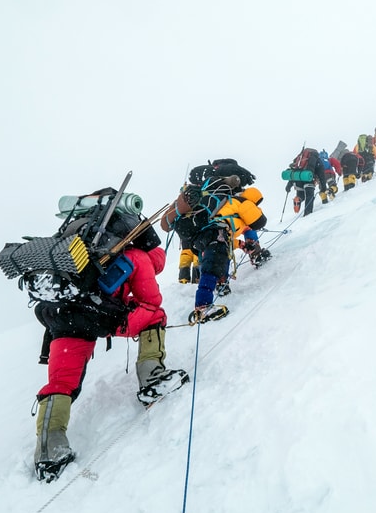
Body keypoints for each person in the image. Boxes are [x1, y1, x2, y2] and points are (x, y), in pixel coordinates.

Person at [30, 189, 187, 481]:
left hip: (61, 317)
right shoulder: (137, 256)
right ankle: (153, 378)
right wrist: (126, 321)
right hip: (97, 316)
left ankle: (49, 451)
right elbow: (150, 303)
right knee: (156, 316)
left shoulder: (75, 245)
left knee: (62, 381)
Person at [161, 175, 240, 321]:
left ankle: (218, 284)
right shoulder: (214, 194)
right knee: (212, 264)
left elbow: (165, 225)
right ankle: (203, 306)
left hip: (195, 239)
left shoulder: (185, 202)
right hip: (211, 233)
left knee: (209, 263)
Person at [283, 147, 328, 216]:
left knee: (301, 196)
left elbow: (293, 171)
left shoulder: (299, 158)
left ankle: (298, 199)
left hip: (298, 180)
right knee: (309, 196)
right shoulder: (317, 159)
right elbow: (321, 174)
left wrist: (289, 185)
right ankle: (307, 214)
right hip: (308, 179)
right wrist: (323, 187)